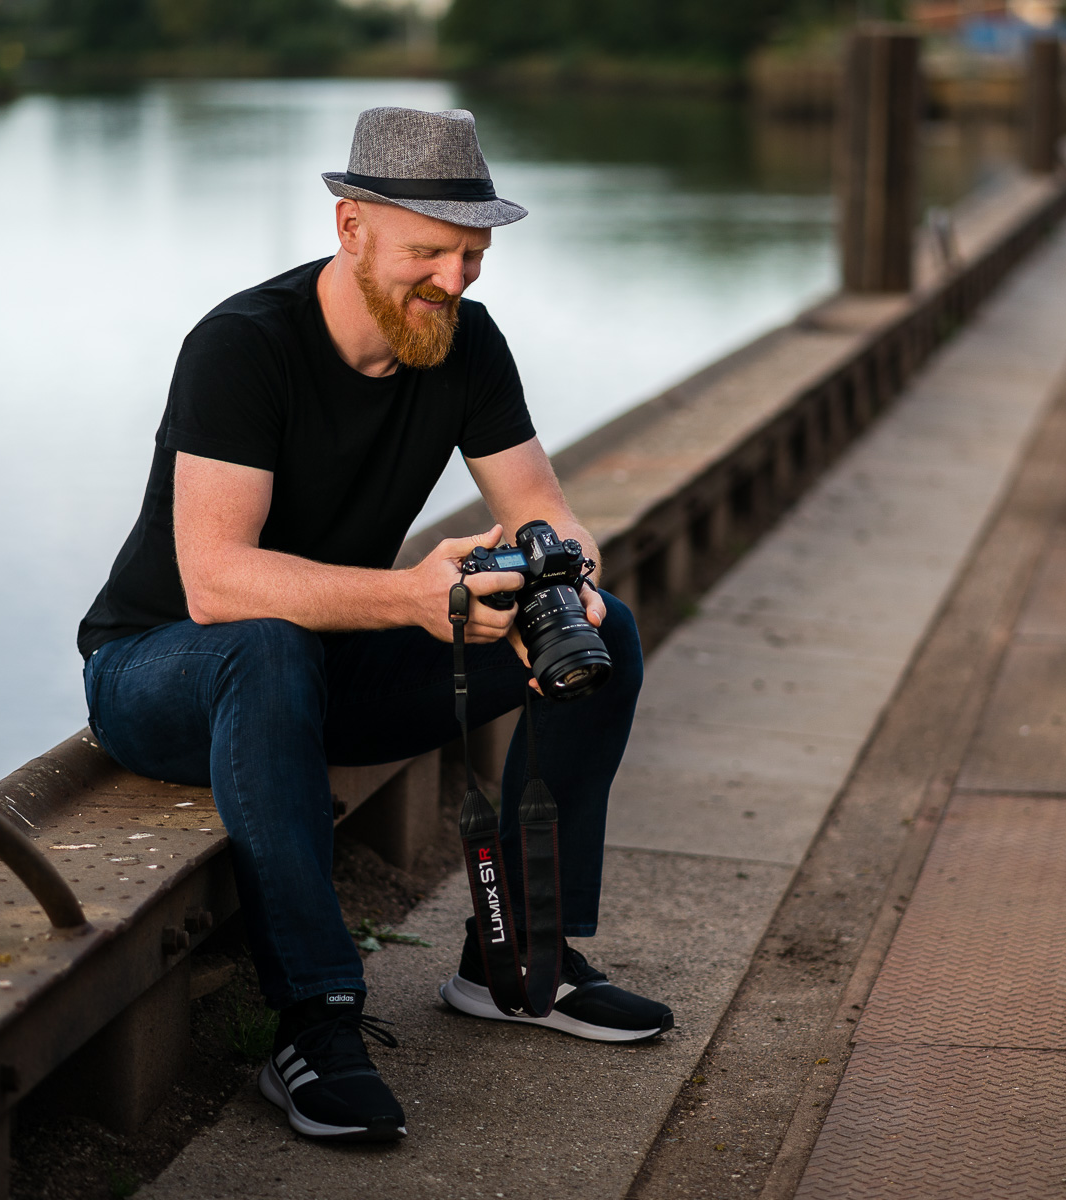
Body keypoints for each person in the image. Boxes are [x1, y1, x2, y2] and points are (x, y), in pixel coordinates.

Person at [75, 106, 673, 1145]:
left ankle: (516, 962)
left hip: (324, 667)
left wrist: (557, 575)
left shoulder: (463, 339)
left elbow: (539, 502)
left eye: (473, 255)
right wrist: (411, 597)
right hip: (165, 671)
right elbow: (217, 584)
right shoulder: (241, 346)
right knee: (262, 646)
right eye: (429, 252)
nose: (454, 279)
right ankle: (315, 1018)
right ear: (352, 227)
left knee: (604, 632)